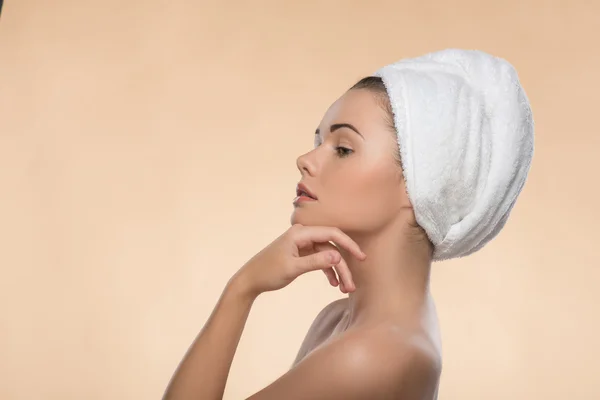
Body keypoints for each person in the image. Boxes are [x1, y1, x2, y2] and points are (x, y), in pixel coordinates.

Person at [162, 48, 534, 400]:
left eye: (343, 148)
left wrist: (241, 289)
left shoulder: (370, 355)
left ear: (421, 184)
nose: (305, 160)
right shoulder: (343, 321)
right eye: (318, 141)